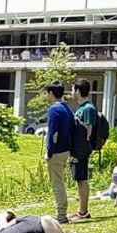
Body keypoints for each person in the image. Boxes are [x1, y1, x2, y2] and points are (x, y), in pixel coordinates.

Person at [43, 83, 74, 222]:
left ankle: (61, 215)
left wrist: (49, 151)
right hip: (66, 149)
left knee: (57, 183)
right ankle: (62, 213)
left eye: (47, 93)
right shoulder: (67, 108)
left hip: (56, 152)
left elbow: (53, 133)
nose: (46, 96)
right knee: (60, 182)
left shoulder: (54, 109)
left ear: (51, 93)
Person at [71, 79, 98, 220]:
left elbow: (88, 130)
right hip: (78, 148)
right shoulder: (83, 108)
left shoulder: (88, 109)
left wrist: (81, 147)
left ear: (77, 91)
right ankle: (81, 210)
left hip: (82, 149)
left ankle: (83, 212)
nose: (71, 92)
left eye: (72, 89)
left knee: (82, 179)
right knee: (79, 179)